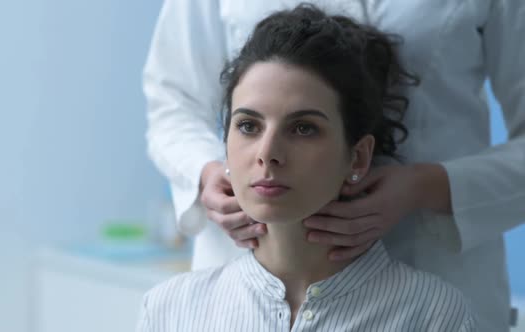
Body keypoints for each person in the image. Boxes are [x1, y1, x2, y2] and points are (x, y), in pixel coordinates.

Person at [143, 0, 524, 330]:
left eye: (303, 128)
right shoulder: (170, 308)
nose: (268, 151)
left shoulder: (440, 312)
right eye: (247, 126)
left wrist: (428, 186)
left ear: (359, 155)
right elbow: (174, 100)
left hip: (430, 258)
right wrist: (210, 171)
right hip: (242, 272)